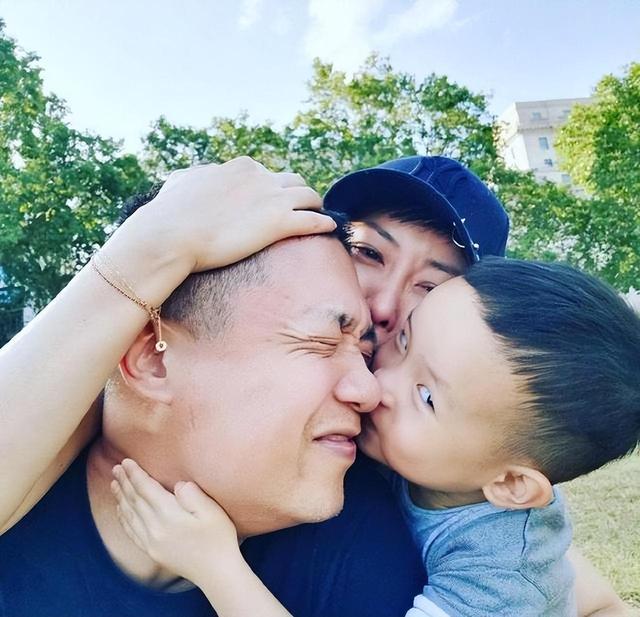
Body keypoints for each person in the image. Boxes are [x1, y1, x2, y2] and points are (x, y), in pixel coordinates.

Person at [0, 157, 627, 616]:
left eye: (430, 288)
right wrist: (149, 252)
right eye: (369, 253)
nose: (385, 306)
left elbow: (568, 585)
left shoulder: (469, 508)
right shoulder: (75, 404)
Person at [109, 257, 640, 617]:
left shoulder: (502, 576)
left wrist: (214, 565)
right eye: (403, 340)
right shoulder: (452, 458)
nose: (376, 385)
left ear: (510, 485)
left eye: (426, 397)